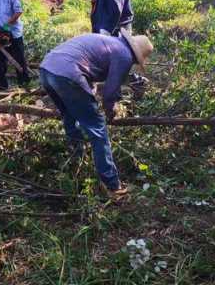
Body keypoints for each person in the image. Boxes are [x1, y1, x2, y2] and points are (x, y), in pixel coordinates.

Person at [40, 29, 153, 197]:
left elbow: (90, 70)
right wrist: (110, 112)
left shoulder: (109, 42)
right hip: (68, 75)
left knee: (70, 116)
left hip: (47, 70)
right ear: (136, 56)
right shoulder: (124, 56)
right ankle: (113, 186)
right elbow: (109, 93)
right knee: (98, 128)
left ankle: (75, 162)